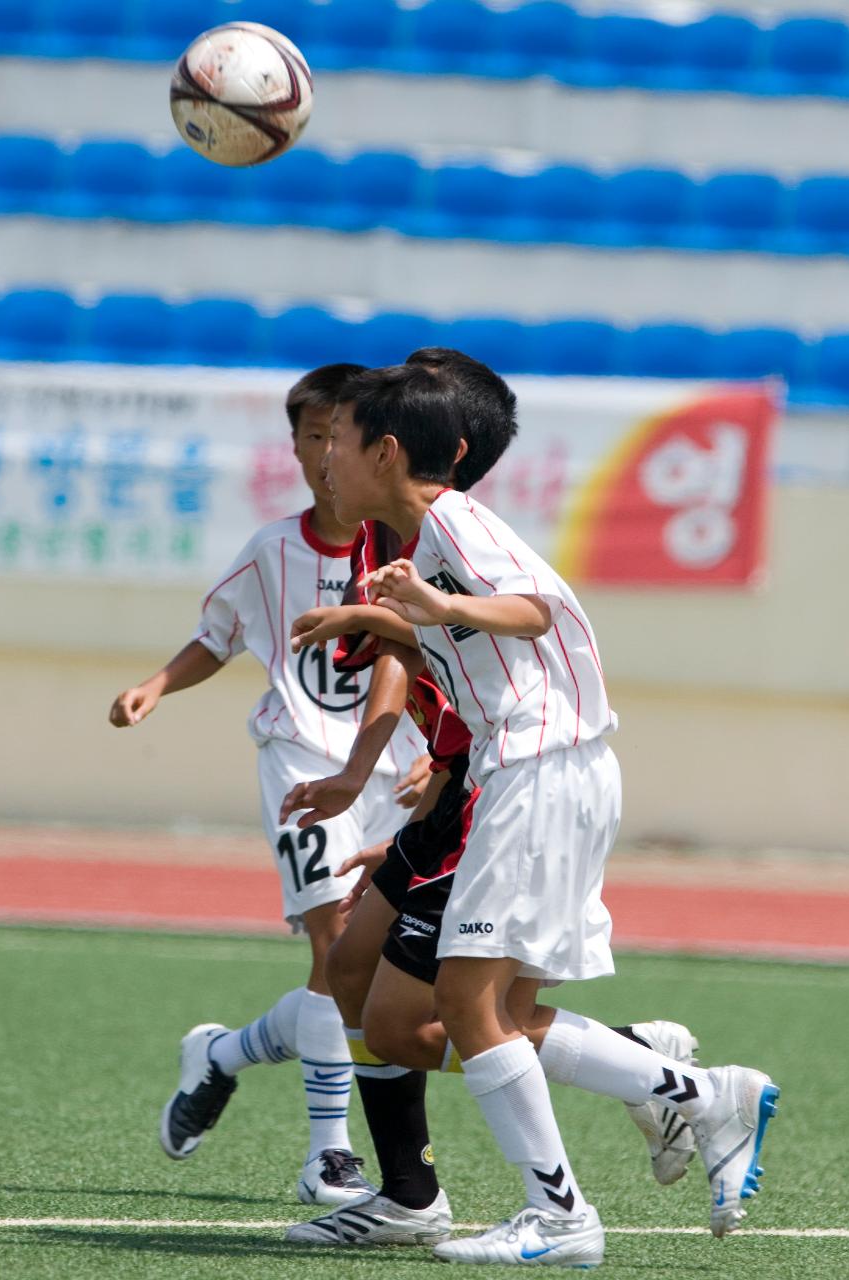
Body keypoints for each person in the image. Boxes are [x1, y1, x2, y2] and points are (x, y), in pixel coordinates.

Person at [303, 363, 780, 1267]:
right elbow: (483, 640)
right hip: (538, 772)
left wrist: (440, 604)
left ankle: (563, 1214)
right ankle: (693, 1093)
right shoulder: (420, 533)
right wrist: (400, 621)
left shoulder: (452, 521)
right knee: (495, 1007)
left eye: (339, 439)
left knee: (466, 1002)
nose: (327, 456)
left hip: (537, 773)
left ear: (387, 450)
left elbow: (537, 608)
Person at [107, 363, 428, 1206]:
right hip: (299, 764)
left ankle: (223, 1054)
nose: (327, 454)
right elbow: (217, 636)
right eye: (312, 436)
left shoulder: (400, 552)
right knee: (337, 947)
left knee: (369, 965)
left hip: (387, 764)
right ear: (293, 446)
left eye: (340, 436)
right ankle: (331, 1154)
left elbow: (416, 656)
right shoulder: (272, 549)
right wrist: (157, 685)